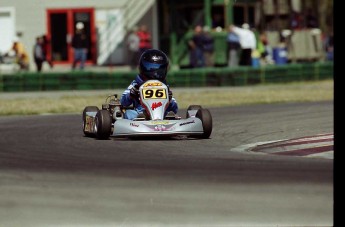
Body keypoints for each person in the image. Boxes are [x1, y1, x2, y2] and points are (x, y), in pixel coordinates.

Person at [120, 49, 178, 120]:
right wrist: (130, 95)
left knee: (171, 113)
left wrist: (170, 100)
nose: (155, 73)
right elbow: (122, 102)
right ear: (142, 68)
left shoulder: (164, 86)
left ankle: (165, 119)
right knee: (129, 114)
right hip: (140, 114)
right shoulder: (136, 84)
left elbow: (175, 108)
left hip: (161, 114)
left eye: (158, 70)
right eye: (151, 69)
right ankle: (142, 118)